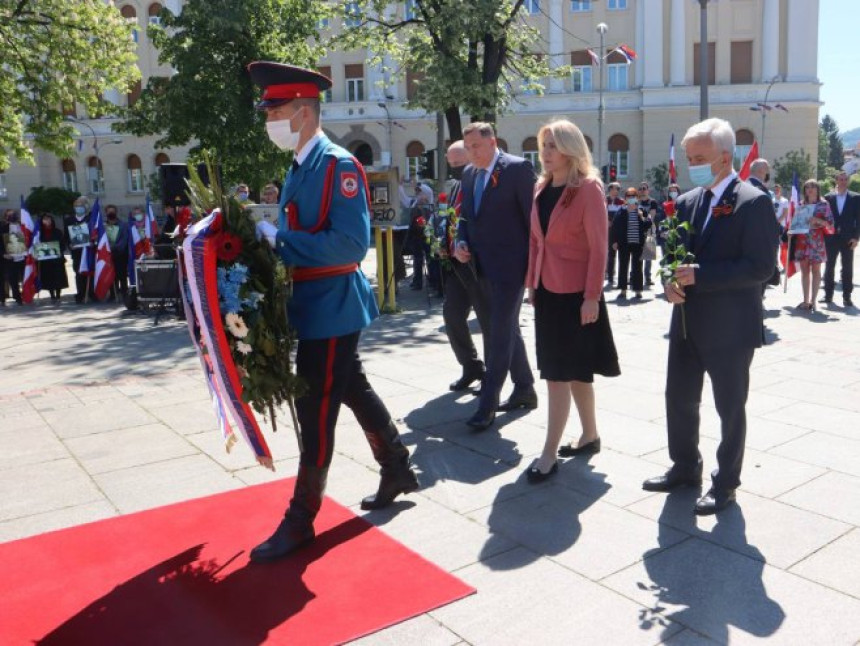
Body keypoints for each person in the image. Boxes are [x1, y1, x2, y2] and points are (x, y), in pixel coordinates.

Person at [248, 61, 419, 562]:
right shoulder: (301, 164)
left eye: (275, 110)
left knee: (316, 408)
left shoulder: (338, 164)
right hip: (311, 304)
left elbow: (349, 244)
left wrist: (284, 240)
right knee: (350, 386)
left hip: (333, 305)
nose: (269, 120)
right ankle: (396, 464)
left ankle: (301, 519)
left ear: (302, 112)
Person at [642, 118, 779, 515]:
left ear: (724, 157)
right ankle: (685, 466)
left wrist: (702, 276)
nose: (692, 166)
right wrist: (669, 280)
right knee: (679, 399)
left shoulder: (753, 201)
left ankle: (726, 482)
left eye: (699, 158)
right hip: (685, 323)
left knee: (729, 407)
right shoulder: (688, 201)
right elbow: (672, 255)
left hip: (730, 327)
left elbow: (761, 267)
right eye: (689, 158)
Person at [524, 119, 620, 482]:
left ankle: (549, 453)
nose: (545, 153)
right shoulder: (541, 187)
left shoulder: (589, 189)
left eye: (552, 145)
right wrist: (532, 282)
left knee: (557, 374)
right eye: (543, 145)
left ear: (571, 149)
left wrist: (592, 297)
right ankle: (590, 435)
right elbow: (536, 241)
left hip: (577, 295)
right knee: (574, 369)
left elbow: (599, 250)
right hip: (548, 290)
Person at [454, 121, 537, 431]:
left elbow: (533, 221)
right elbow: (466, 217)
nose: (471, 152)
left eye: (476, 146)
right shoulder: (469, 174)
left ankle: (487, 403)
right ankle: (525, 389)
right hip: (479, 265)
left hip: (511, 267)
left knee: (499, 331)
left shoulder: (517, 169)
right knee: (506, 328)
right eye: (468, 147)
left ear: (493, 142)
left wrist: (535, 269)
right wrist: (461, 242)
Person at [441, 140, 490, 391]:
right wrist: (443, 242)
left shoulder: (482, 185)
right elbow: (453, 218)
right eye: (451, 165)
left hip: (477, 265)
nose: (455, 170)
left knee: (487, 320)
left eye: (459, 164)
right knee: (452, 316)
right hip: (455, 264)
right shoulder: (456, 187)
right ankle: (471, 366)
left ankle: (494, 377)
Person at [792, 179, 834, 312]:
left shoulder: (824, 205)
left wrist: (818, 221)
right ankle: (805, 301)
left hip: (817, 242)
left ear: (817, 189)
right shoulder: (800, 204)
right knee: (805, 272)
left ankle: (813, 300)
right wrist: (790, 231)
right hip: (802, 241)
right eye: (807, 187)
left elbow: (831, 226)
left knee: (816, 271)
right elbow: (795, 223)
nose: (810, 189)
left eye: (813, 187)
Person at [823, 171, 859, 307]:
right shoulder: (828, 197)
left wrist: (856, 238)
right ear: (836, 181)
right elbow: (824, 217)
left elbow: (858, 219)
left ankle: (847, 296)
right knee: (829, 266)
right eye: (840, 179)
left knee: (847, 268)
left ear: (848, 181)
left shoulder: (856, 198)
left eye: (845, 179)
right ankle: (828, 295)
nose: (843, 181)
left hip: (848, 238)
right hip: (831, 238)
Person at [611, 186, 650, 300]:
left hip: (638, 243)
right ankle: (623, 290)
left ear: (637, 198)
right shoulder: (621, 210)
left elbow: (649, 224)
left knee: (638, 267)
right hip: (624, 243)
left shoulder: (641, 210)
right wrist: (614, 241)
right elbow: (614, 227)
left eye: (633, 196)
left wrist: (642, 216)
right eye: (629, 196)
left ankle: (638, 290)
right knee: (623, 266)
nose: (631, 198)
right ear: (625, 198)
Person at [64, 197, 93, 304]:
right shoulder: (69, 220)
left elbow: (95, 233)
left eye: (81, 206)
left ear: (85, 207)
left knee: (90, 272)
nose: (78, 208)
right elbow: (66, 236)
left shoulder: (90, 219)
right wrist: (70, 245)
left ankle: (91, 293)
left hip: (88, 250)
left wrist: (92, 242)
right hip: (76, 251)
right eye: (76, 206)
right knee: (78, 272)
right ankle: (80, 294)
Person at [36, 213, 68, 302]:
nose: (47, 221)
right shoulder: (39, 233)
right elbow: (37, 245)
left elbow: (62, 244)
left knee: (58, 277)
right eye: (45, 220)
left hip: (57, 259)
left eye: (49, 219)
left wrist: (59, 251)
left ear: (52, 221)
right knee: (48, 278)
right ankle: (52, 295)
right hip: (45, 260)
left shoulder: (58, 231)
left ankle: (58, 294)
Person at [637, 181, 661, 286]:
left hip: (650, 231)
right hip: (637, 231)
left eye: (644, 188)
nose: (642, 190)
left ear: (648, 190)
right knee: (636, 256)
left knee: (648, 257)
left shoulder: (653, 202)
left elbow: (651, 216)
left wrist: (641, 217)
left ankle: (647, 278)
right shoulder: (636, 202)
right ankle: (635, 277)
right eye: (640, 188)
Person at [1, 209, 26, 305]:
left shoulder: (23, 226)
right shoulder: (3, 228)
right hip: (10, 258)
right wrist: (3, 253)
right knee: (13, 279)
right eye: (9, 215)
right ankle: (17, 297)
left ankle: (26, 294)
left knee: (25, 276)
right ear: (6, 217)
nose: (12, 216)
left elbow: (29, 238)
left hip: (23, 256)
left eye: (13, 214)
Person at [105, 205, 129, 302]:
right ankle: (113, 294)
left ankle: (124, 294)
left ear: (116, 212)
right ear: (106, 213)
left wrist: (114, 247)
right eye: (109, 212)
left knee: (122, 275)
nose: (111, 213)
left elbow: (124, 239)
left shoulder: (123, 225)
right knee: (111, 275)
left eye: (112, 211)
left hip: (120, 254)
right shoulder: (104, 226)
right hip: (108, 255)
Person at [605, 182, 624, 286]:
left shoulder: (621, 201)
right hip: (607, 229)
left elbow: (623, 214)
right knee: (610, 253)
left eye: (618, 189)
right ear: (610, 189)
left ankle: (619, 276)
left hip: (618, 230)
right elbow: (600, 212)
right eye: (615, 188)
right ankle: (610, 276)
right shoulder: (604, 200)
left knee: (619, 253)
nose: (616, 190)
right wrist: (606, 220)